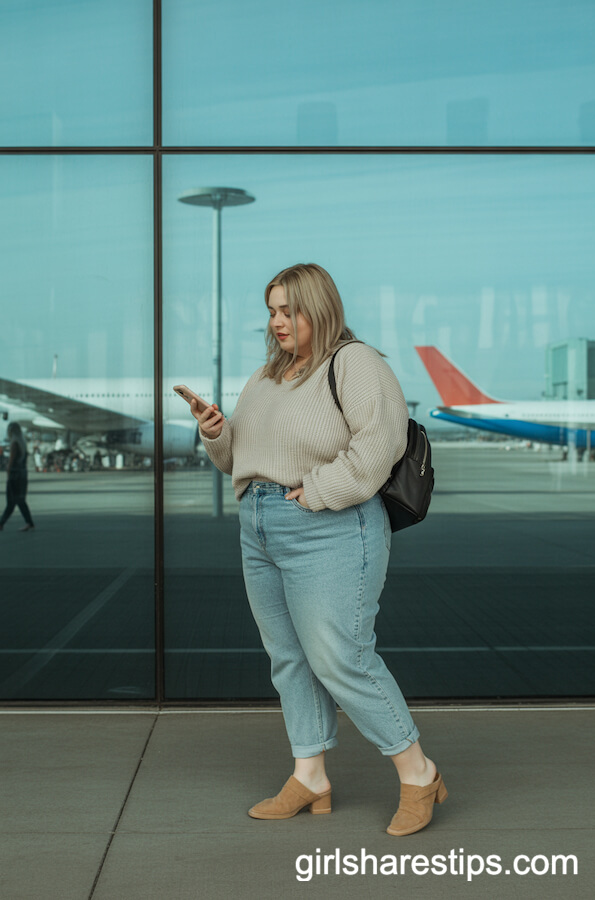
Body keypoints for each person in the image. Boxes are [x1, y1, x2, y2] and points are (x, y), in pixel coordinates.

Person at [190, 263, 447, 836]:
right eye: (272, 311)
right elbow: (239, 460)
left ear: (319, 308)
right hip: (258, 525)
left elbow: (381, 442)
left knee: (341, 657)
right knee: (289, 658)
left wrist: (321, 492)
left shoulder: (355, 363)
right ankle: (310, 778)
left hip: (331, 526)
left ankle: (418, 771)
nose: (278, 322)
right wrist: (215, 431)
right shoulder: (266, 377)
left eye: (290, 310)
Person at [0, 422, 35, 532]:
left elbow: (11, 461)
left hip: (15, 475)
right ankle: (28, 522)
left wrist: (8, 472)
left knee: (12, 501)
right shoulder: (22, 443)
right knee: (19, 500)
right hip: (23, 473)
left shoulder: (14, 443)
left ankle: (2, 523)